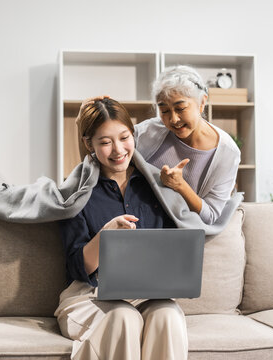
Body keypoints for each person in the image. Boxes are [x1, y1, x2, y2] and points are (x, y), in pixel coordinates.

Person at [55, 98, 188, 360]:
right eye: (105, 142)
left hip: (147, 293)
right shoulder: (76, 193)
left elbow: (177, 245)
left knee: (168, 316)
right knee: (123, 317)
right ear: (88, 144)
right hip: (89, 295)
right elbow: (76, 268)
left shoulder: (156, 188)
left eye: (124, 137)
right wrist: (106, 236)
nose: (118, 150)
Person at [79, 65, 241, 225]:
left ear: (202, 102)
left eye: (180, 108)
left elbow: (210, 216)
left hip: (188, 233)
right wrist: (84, 123)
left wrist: (180, 186)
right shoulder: (149, 132)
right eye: (164, 111)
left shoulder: (227, 153)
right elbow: (100, 162)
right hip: (144, 224)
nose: (173, 119)